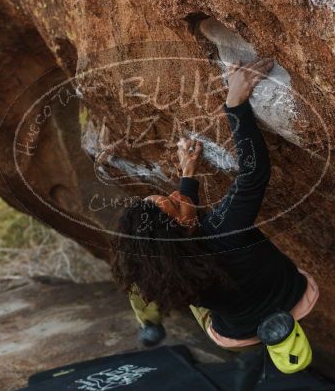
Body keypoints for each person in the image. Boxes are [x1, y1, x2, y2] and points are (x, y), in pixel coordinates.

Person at [110, 59, 319, 374]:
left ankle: (149, 321)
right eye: (173, 201)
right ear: (181, 224)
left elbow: (186, 235)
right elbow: (252, 173)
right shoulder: (225, 228)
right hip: (294, 295)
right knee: (162, 268)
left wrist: (188, 177)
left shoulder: (176, 262)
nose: (176, 194)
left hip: (233, 333)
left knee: (154, 270)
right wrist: (235, 104)